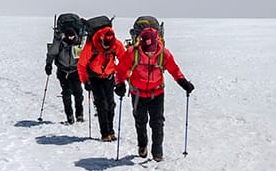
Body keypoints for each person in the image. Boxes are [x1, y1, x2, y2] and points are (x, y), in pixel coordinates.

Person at [121, 17, 193, 161]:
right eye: (147, 51)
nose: (149, 53)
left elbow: (174, 70)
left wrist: (183, 82)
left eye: (152, 51)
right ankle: (142, 145)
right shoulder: (132, 53)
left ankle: (157, 153)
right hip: (137, 93)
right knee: (140, 121)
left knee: (157, 123)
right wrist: (119, 84)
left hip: (157, 93)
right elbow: (121, 70)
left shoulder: (164, 54)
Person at [77, 16, 127, 142]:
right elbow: (81, 65)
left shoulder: (117, 45)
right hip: (95, 78)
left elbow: (125, 63)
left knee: (111, 104)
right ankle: (105, 133)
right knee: (101, 105)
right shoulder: (91, 45)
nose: (107, 48)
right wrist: (85, 81)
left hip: (109, 77)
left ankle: (111, 131)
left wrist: (122, 81)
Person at [44, 14, 86, 124]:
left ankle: (79, 114)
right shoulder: (60, 42)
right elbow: (51, 53)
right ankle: (69, 115)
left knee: (78, 93)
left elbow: (85, 57)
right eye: (69, 37)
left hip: (76, 71)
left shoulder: (79, 42)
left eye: (73, 37)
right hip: (63, 71)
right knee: (66, 93)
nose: (71, 39)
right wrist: (48, 64)